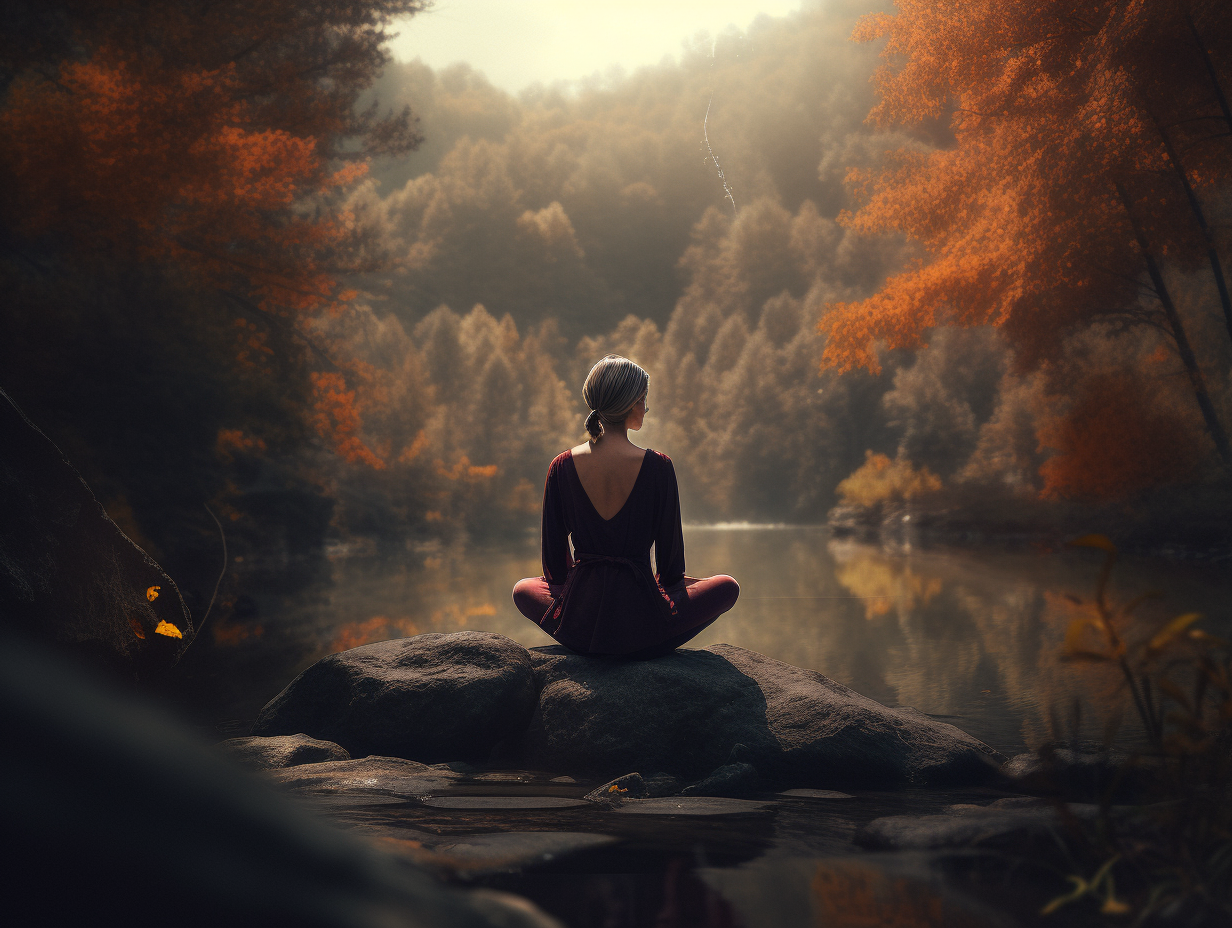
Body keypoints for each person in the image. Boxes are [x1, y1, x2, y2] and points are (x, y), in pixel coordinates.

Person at [512, 355, 739, 658]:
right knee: (727, 586)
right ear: (632, 403)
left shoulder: (561, 466)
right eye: (644, 399)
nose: (646, 408)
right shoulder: (659, 467)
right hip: (644, 631)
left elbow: (554, 567)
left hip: (580, 627)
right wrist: (662, 590)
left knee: (523, 589)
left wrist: (577, 596)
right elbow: (671, 568)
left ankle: (589, 629)